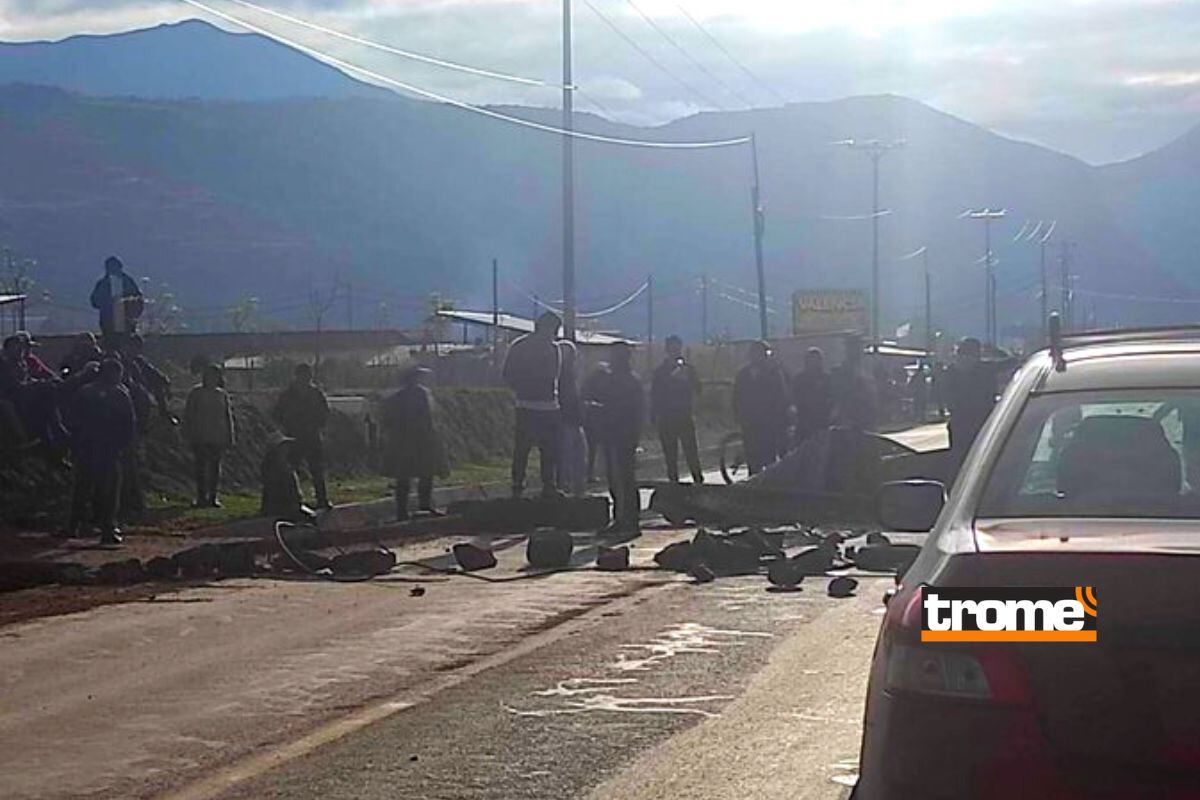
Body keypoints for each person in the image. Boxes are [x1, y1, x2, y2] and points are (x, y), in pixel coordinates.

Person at [67, 358, 136, 545]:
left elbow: (72, 419)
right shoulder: (120, 393)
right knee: (109, 491)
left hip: (87, 446)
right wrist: (124, 446)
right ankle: (107, 529)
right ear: (113, 373)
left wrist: (75, 444)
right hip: (108, 449)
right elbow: (129, 424)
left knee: (82, 488)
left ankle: (73, 526)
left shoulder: (85, 392)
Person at [502, 311, 562, 499]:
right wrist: (525, 386)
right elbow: (508, 374)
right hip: (530, 403)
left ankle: (545, 485)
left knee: (544, 450)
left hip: (545, 404)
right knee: (525, 449)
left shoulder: (550, 348)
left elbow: (555, 377)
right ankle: (520, 484)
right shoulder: (524, 347)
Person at [380, 365, 446, 520]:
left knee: (404, 476)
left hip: (403, 441)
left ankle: (402, 510)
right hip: (419, 440)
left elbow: (387, 420)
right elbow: (429, 418)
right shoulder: (422, 394)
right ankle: (423, 506)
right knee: (424, 473)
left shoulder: (395, 398)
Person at [593, 342, 644, 537]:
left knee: (623, 479)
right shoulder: (623, 379)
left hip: (620, 433)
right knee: (619, 479)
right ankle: (624, 518)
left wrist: (600, 409)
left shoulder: (624, 381)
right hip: (615, 433)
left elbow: (620, 408)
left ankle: (627, 519)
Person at [273, 363, 332, 509]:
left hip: (312, 435)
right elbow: (277, 413)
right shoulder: (288, 395)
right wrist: (286, 427)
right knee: (291, 470)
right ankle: (291, 499)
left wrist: (318, 425)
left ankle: (322, 499)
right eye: (303, 375)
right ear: (297, 376)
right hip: (294, 436)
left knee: (317, 469)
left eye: (307, 375)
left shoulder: (316, 393)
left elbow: (325, 412)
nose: (305, 378)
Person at [651, 334, 704, 484]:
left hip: (684, 415)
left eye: (677, 348)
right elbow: (655, 393)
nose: (675, 351)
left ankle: (698, 481)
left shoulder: (688, 369)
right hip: (667, 417)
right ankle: (674, 484)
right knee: (670, 454)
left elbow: (698, 389)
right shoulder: (660, 371)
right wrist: (654, 415)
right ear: (667, 350)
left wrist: (687, 380)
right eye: (672, 348)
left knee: (691, 452)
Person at [733, 341, 791, 474]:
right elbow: (737, 396)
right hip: (749, 422)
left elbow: (781, 396)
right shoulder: (743, 374)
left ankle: (769, 485)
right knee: (752, 457)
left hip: (768, 422)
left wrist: (780, 417)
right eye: (754, 353)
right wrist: (739, 415)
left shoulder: (774, 373)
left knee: (769, 456)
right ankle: (754, 482)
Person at [183, 364, 236, 508]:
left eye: (215, 376)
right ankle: (201, 497)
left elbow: (227, 416)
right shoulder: (196, 393)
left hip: (217, 436)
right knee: (200, 468)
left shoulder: (222, 394)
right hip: (200, 435)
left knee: (215, 468)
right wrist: (187, 433)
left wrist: (230, 435)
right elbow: (188, 414)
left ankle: (213, 497)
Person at [944, 337, 999, 457]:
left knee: (959, 459)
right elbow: (1008, 363)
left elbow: (945, 396)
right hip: (981, 422)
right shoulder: (984, 369)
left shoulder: (950, 371)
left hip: (959, 423)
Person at [556, 341, 588, 496]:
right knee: (567, 457)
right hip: (565, 421)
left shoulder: (572, 377)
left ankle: (576, 489)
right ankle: (565, 487)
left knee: (578, 457)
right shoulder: (559, 377)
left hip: (575, 421)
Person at [260, 433, 314, 523]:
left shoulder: (282, 464)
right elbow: (280, 490)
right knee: (311, 519)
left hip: (286, 505)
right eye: (283, 446)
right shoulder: (277, 467)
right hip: (283, 507)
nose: (287, 448)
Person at [89, 256, 143, 345]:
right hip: (109, 323)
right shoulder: (103, 284)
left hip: (126, 323)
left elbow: (138, 301)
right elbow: (94, 301)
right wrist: (108, 303)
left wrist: (129, 309)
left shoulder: (127, 282)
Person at [830, 339, 877, 432]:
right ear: (848, 351)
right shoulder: (839, 372)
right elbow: (838, 395)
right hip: (848, 417)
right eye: (854, 349)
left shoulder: (868, 370)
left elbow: (873, 393)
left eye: (859, 349)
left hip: (866, 417)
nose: (857, 353)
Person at [791, 346, 833, 448]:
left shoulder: (827, 379)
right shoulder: (799, 379)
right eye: (811, 359)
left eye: (816, 359)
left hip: (823, 421)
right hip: (804, 421)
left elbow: (833, 397)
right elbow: (793, 398)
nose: (813, 362)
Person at [581, 361, 610, 484]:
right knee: (591, 447)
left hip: (602, 419)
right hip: (592, 420)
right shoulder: (589, 385)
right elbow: (584, 400)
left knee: (603, 447)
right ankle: (589, 473)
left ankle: (603, 471)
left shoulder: (608, 385)